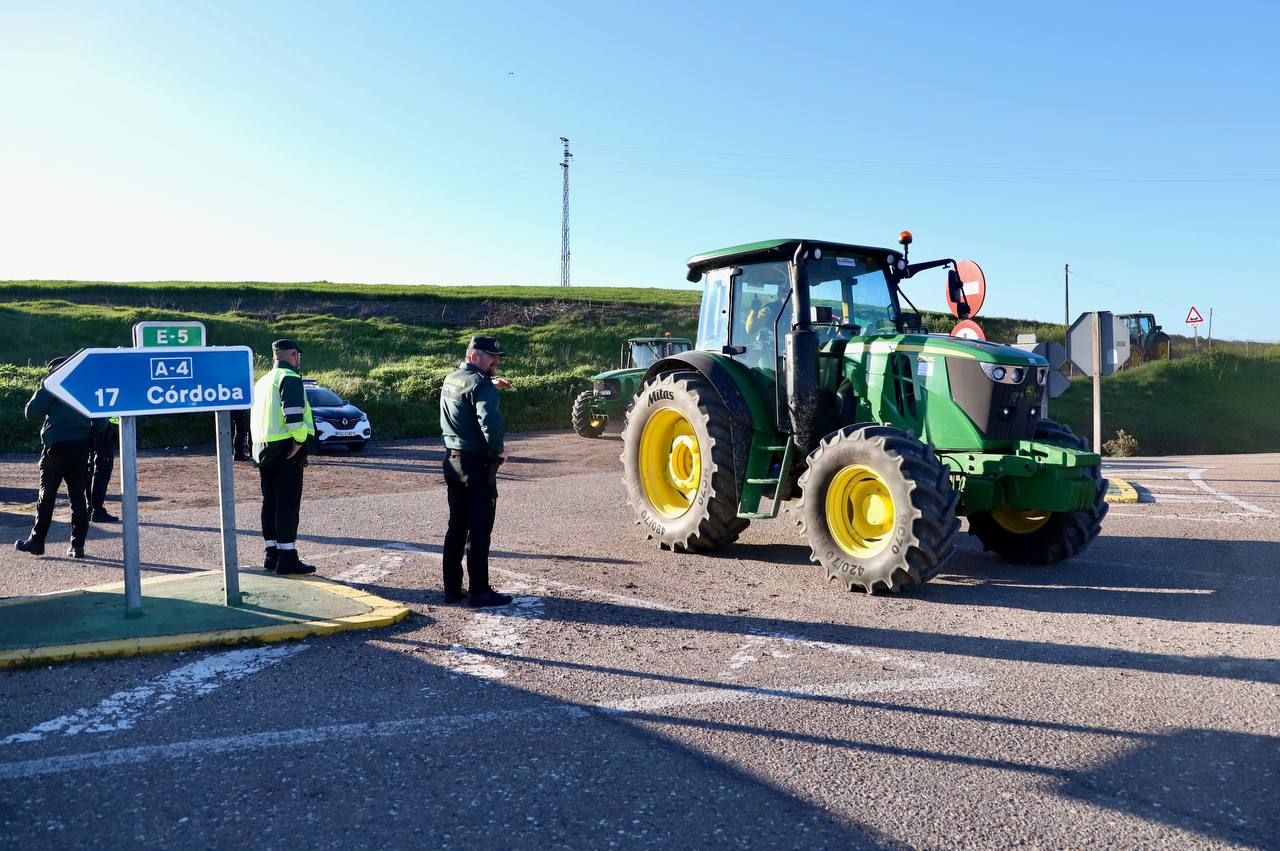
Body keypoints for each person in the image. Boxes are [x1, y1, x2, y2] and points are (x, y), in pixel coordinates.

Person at [439, 335, 515, 607]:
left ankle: (452, 589)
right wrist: (498, 451)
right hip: (476, 465)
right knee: (480, 530)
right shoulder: (482, 385)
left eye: (497, 357)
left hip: (453, 461)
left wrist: (490, 384)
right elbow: (491, 424)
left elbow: (465, 395)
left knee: (457, 527)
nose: (496, 361)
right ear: (474, 356)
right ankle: (479, 591)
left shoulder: (452, 378)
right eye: (490, 356)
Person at [15, 357, 94, 558]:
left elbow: (31, 413)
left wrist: (45, 386)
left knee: (47, 497)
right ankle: (77, 546)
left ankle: (37, 542)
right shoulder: (84, 387)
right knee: (78, 498)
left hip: (56, 449)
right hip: (80, 447)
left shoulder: (52, 389)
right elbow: (100, 422)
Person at [249, 339, 316, 575]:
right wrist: (299, 441)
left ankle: (272, 554)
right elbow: (293, 415)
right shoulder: (290, 378)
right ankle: (287, 557)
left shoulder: (262, 380)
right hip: (286, 447)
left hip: (262, 447)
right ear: (295, 356)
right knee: (287, 504)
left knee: (270, 502)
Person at [88, 415, 119, 523]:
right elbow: (104, 420)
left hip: (95, 434)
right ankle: (97, 511)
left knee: (92, 472)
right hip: (103, 436)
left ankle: (90, 509)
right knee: (101, 473)